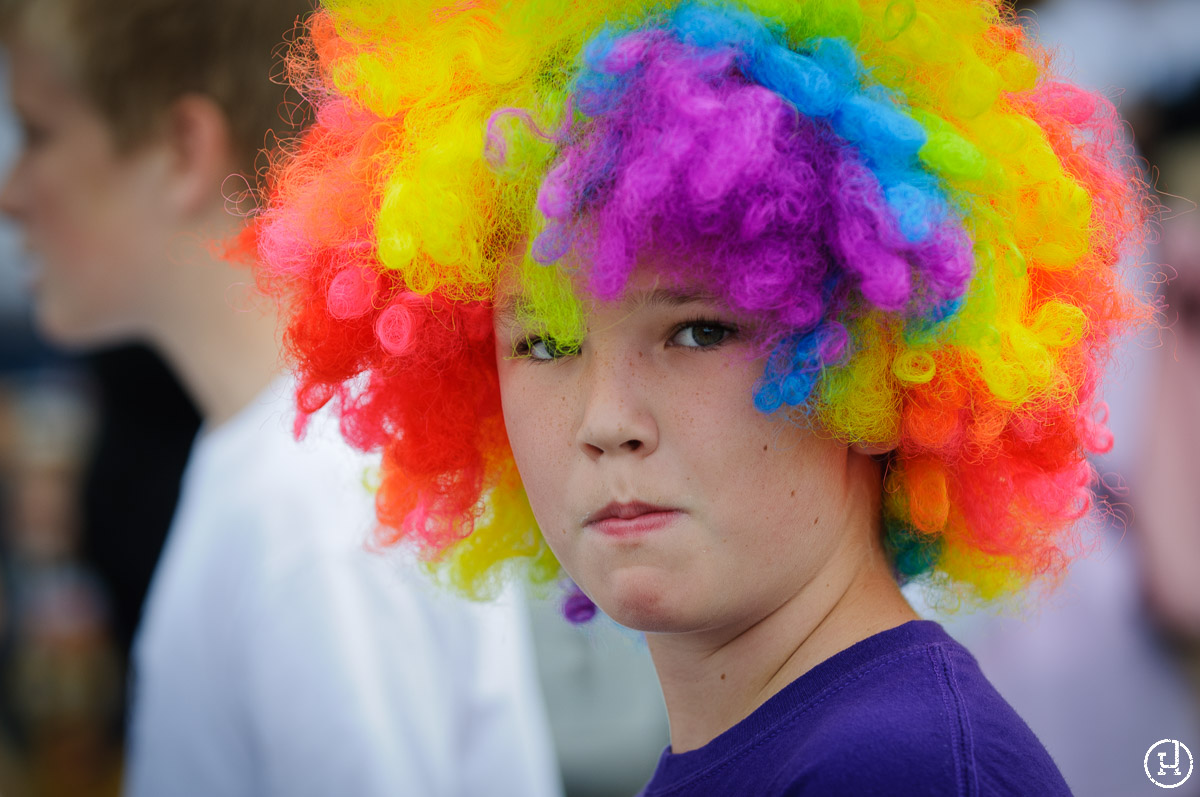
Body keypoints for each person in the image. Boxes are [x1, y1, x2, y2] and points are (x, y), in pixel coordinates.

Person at [255, 0, 1144, 793]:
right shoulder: (784, 739)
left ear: (875, 365)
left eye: (697, 332)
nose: (606, 422)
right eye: (545, 343)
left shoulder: (898, 768)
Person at [0, 2, 560, 796]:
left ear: (182, 148)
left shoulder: (312, 507)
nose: (11, 194)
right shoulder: (284, 463)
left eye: (40, 132)